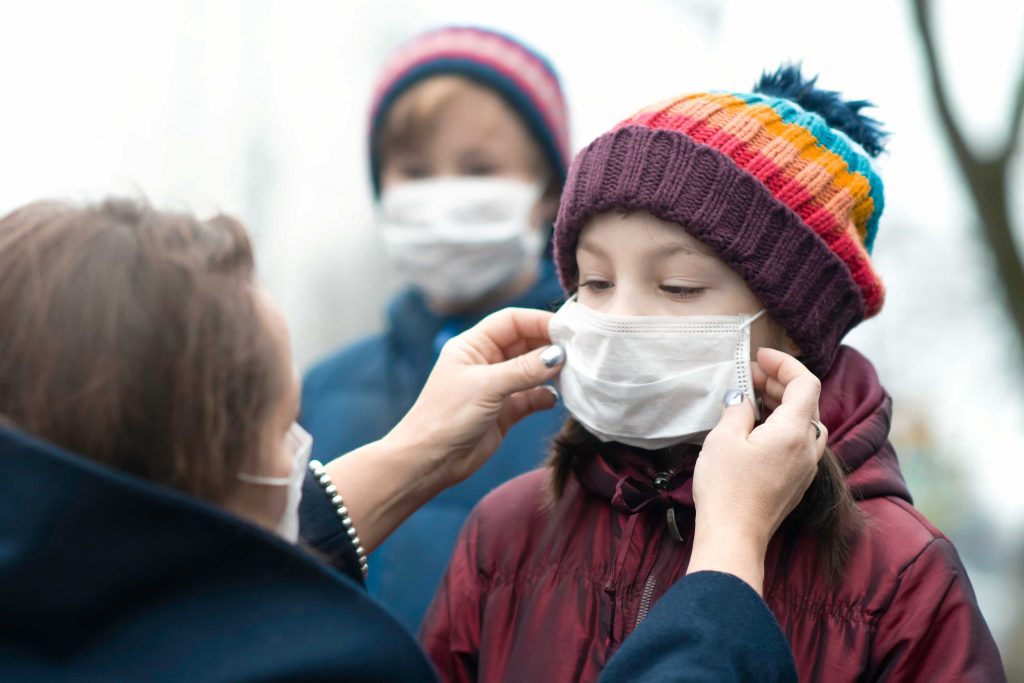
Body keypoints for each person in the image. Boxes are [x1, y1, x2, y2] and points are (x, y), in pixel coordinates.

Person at [0, 196, 821, 682]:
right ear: (180, 469)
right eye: (278, 424)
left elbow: (152, 583)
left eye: (678, 286)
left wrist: (408, 457)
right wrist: (725, 563)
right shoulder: (330, 663)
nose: (302, 447)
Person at [420, 67, 1008, 682]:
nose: (618, 318)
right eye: (594, 282)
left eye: (679, 286)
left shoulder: (899, 575)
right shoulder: (506, 532)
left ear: (792, 329)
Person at [301, 25, 572, 630]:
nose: (444, 198)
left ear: (550, 190)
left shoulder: (601, 390)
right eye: (416, 174)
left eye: (478, 170)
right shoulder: (319, 391)